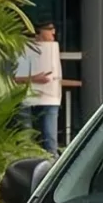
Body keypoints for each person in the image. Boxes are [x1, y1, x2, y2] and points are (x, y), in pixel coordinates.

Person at [13, 22, 64, 153]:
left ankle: (52, 165)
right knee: (26, 137)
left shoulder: (53, 49)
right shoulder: (27, 48)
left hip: (50, 97)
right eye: (49, 29)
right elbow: (16, 78)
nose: (53, 32)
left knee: (50, 137)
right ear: (38, 32)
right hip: (28, 96)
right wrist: (35, 78)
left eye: (54, 28)